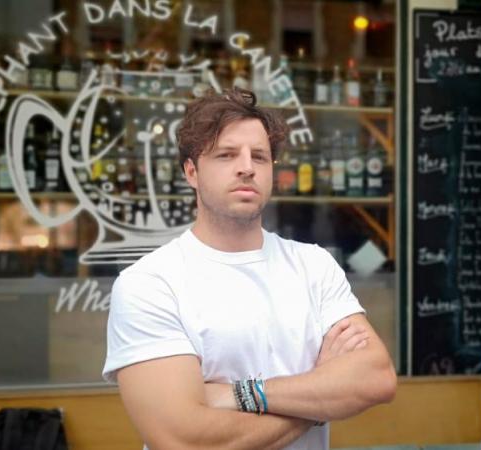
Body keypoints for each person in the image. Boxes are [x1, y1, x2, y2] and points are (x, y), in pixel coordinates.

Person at [102, 88, 396, 450]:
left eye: (260, 156)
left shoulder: (314, 265)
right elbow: (187, 441)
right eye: (227, 155)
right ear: (191, 172)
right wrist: (321, 396)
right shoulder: (149, 284)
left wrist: (237, 394)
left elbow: (376, 378)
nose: (246, 167)